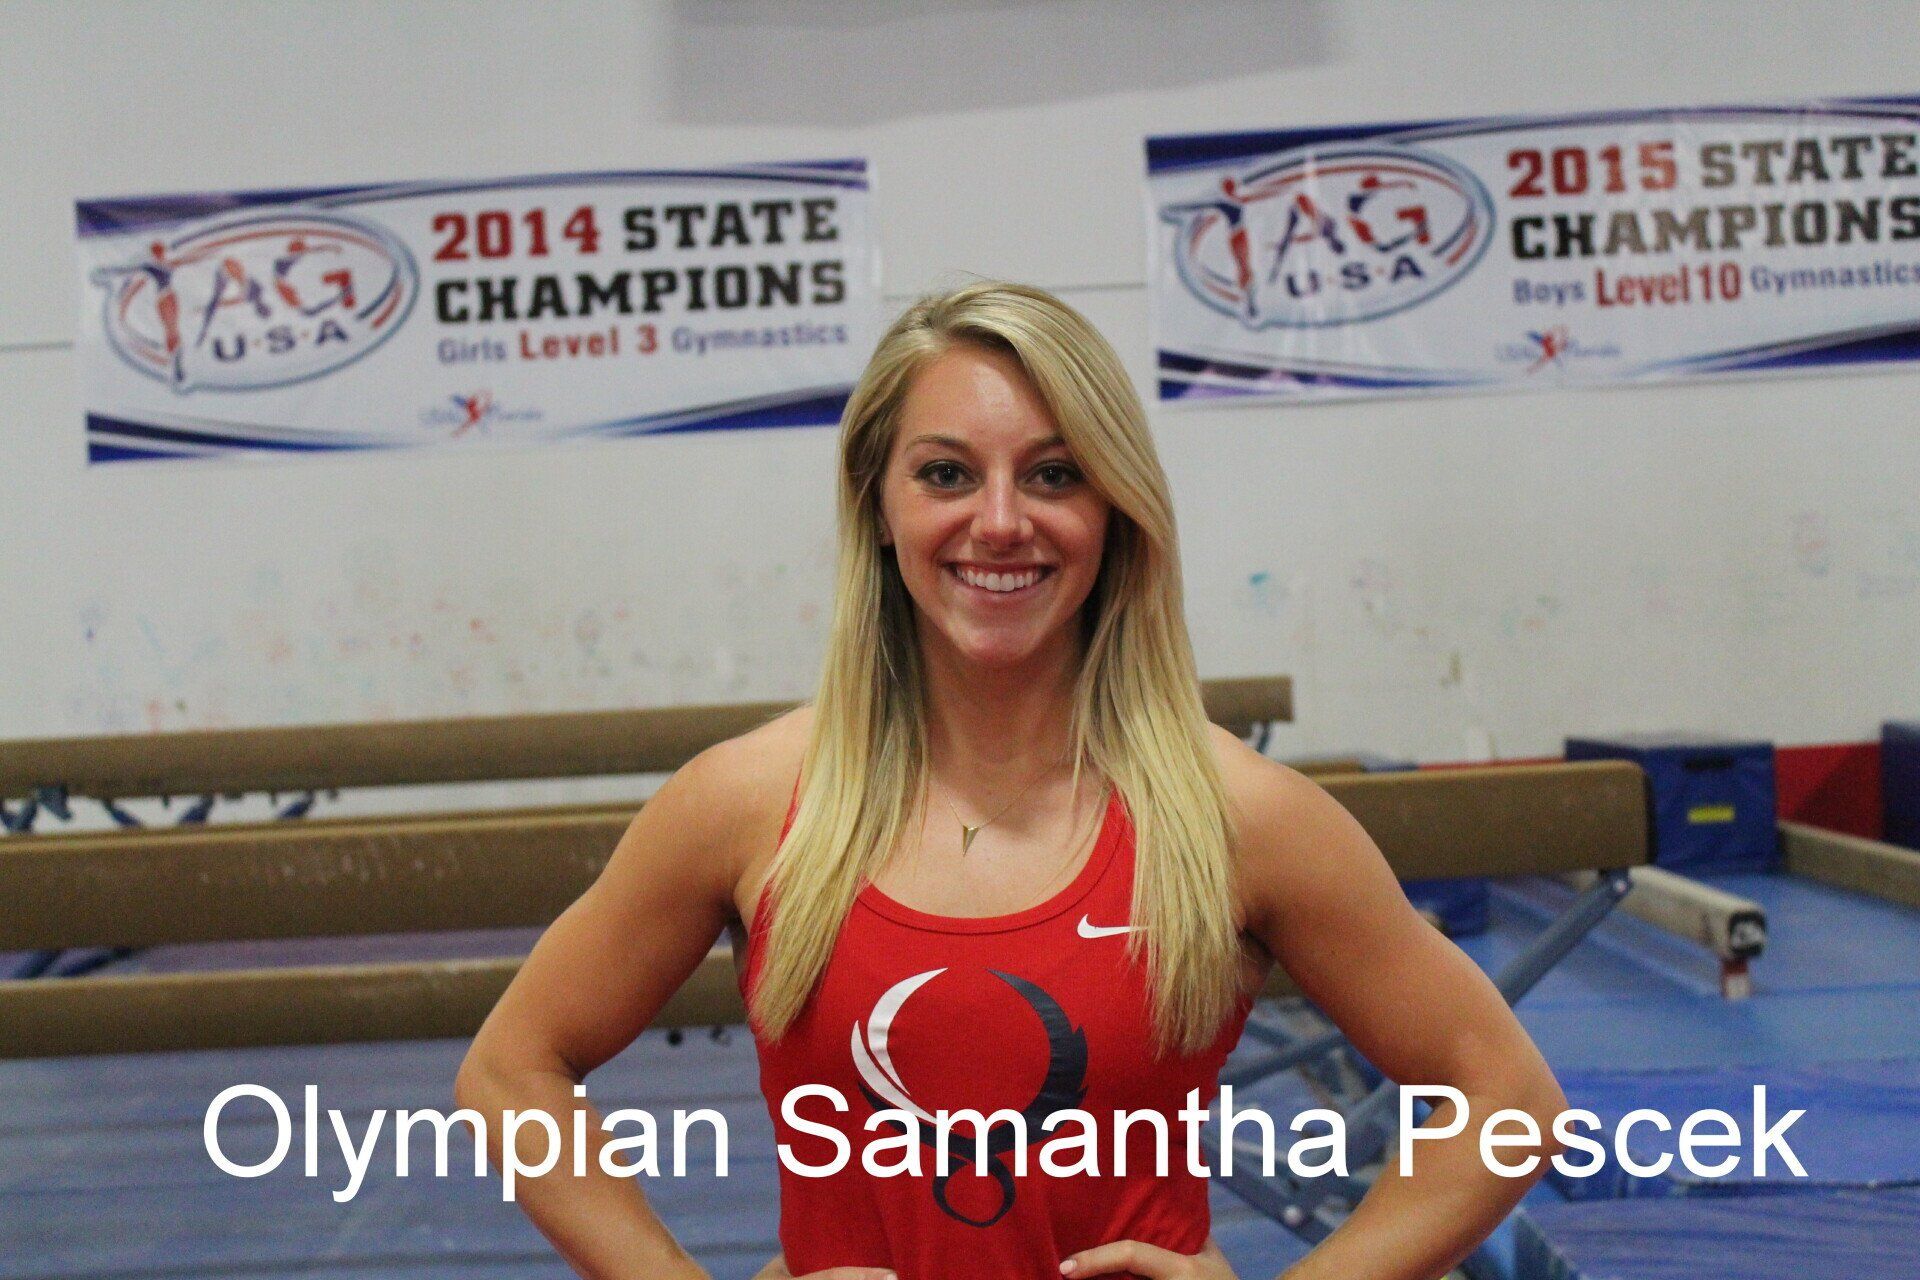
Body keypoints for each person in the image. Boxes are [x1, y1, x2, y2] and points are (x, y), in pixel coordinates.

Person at [456, 281, 1567, 1280]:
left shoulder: (1238, 817)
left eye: (1054, 474)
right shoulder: (747, 804)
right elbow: (512, 1070)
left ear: (1115, 511)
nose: (999, 520)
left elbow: (1507, 1097)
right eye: (946, 473)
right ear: (879, 509)